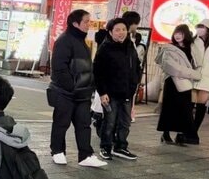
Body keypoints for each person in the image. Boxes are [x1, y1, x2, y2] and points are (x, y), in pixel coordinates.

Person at [48, 9, 107, 167]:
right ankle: (57, 151)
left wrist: (90, 86)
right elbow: (59, 68)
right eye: (86, 21)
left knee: (84, 125)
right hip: (65, 92)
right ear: (75, 23)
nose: (89, 24)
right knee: (61, 123)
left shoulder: (81, 41)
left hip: (82, 93)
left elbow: (87, 67)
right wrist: (72, 87)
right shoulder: (64, 40)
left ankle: (85, 155)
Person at [92, 17, 141, 160]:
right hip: (110, 93)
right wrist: (102, 92)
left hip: (127, 92)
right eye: (117, 30)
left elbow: (137, 66)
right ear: (110, 32)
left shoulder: (130, 46)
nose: (121, 33)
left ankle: (121, 147)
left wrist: (135, 82)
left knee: (125, 122)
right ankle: (105, 147)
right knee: (110, 122)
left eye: (124, 29)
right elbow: (98, 72)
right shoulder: (105, 48)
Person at [156, 24, 202, 145]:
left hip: (186, 82)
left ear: (186, 34)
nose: (177, 36)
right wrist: (191, 74)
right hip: (171, 82)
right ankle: (165, 134)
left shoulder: (191, 48)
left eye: (180, 33)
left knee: (184, 109)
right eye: (176, 33)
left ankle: (180, 135)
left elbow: (197, 63)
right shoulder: (169, 48)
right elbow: (170, 66)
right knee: (169, 108)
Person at [187, 19, 209, 144]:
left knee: (200, 105)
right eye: (198, 26)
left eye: (202, 27)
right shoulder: (193, 42)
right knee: (189, 105)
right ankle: (189, 132)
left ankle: (194, 133)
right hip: (194, 77)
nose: (199, 29)